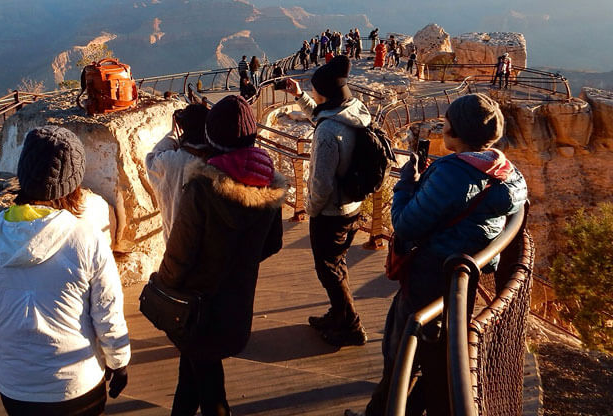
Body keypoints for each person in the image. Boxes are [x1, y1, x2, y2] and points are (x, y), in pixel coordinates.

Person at [359, 94, 528, 416]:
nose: (442, 128)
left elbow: (406, 224)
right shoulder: (507, 171)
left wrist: (407, 183)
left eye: (446, 124)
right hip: (463, 276)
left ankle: (383, 411)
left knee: (402, 348)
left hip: (431, 272)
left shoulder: (452, 172)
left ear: (457, 133)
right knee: (440, 350)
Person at [0, 126, 130, 416]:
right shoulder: (86, 238)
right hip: (78, 386)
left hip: (17, 388)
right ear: (73, 183)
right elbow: (107, 311)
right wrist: (119, 361)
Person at [156, 95, 286, 415]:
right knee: (194, 375)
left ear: (211, 139)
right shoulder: (268, 183)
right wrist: (238, 263)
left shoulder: (202, 188)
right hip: (236, 304)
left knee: (210, 390)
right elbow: (273, 243)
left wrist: (162, 288)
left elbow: (180, 254)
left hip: (197, 307)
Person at [284, 55, 370, 347]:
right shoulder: (353, 109)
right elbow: (321, 114)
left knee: (328, 269)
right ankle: (339, 313)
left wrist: (310, 209)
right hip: (353, 204)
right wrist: (299, 96)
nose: (314, 94)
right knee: (337, 264)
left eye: (314, 90)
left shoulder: (328, 133)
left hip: (331, 212)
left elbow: (320, 182)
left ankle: (351, 325)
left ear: (325, 93)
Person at [146, 104, 210, 245]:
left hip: (177, 250)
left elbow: (151, 160)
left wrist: (172, 136)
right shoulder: (215, 162)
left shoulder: (170, 161)